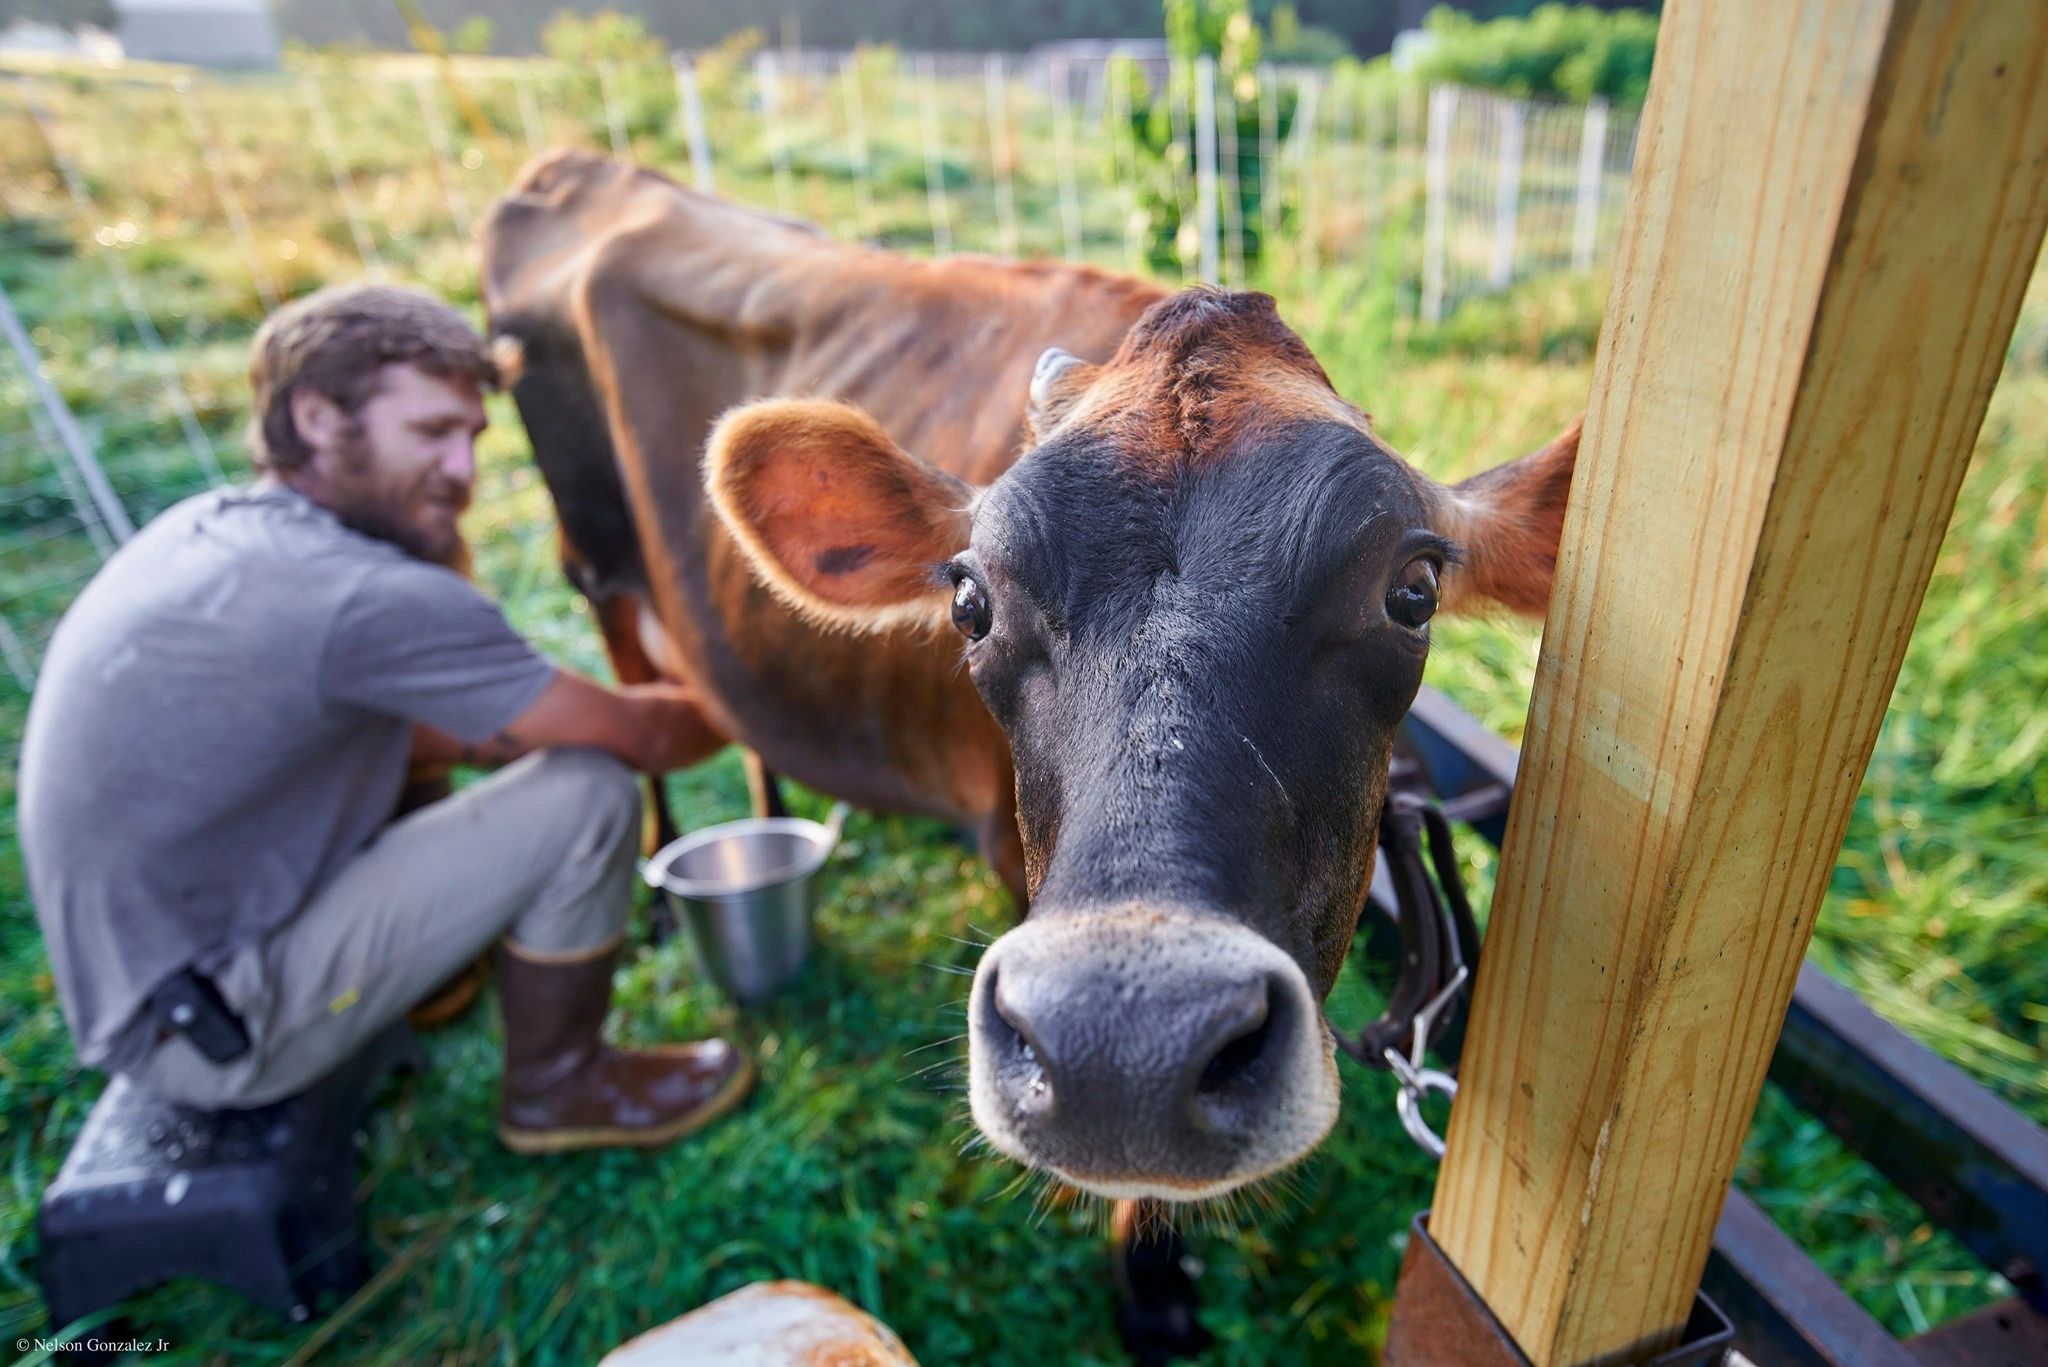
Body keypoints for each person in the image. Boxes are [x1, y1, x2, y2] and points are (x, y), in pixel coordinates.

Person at [18, 282, 751, 1153]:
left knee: (457, 755)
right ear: (321, 417)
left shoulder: (219, 529)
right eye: (432, 433)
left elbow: (439, 737)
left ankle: (435, 981)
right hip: (217, 1028)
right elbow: (641, 738)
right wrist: (757, 703)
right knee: (584, 793)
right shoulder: (366, 598)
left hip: (153, 983)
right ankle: (560, 1085)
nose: (464, 473)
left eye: (473, 437)